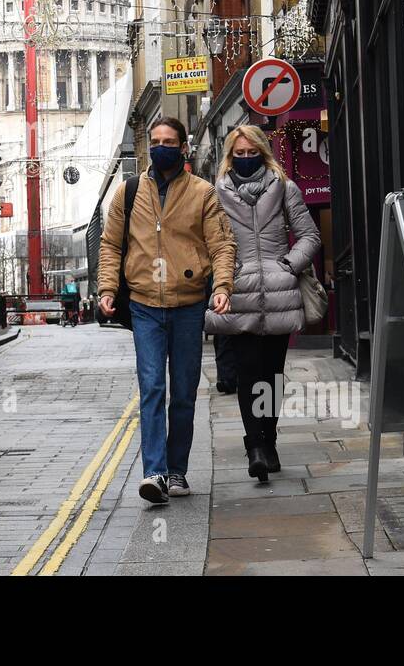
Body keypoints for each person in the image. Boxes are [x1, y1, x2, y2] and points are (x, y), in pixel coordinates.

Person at [97, 117, 236, 505]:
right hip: (143, 305)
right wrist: (108, 289)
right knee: (153, 387)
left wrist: (222, 286)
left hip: (189, 305)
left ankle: (177, 471)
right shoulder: (127, 194)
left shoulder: (203, 193)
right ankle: (155, 472)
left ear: (183, 148)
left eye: (169, 141)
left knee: (186, 393)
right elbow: (110, 246)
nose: (161, 147)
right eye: (155, 141)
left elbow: (222, 246)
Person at [205, 124, 321, 483]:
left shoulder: (285, 188)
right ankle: (254, 447)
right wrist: (226, 272)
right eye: (238, 154)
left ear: (263, 151)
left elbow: (309, 235)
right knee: (246, 372)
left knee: (271, 376)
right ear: (229, 156)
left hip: (279, 291)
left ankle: (268, 442)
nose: (244, 158)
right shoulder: (215, 194)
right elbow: (205, 240)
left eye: (250, 152)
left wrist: (288, 265)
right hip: (237, 292)